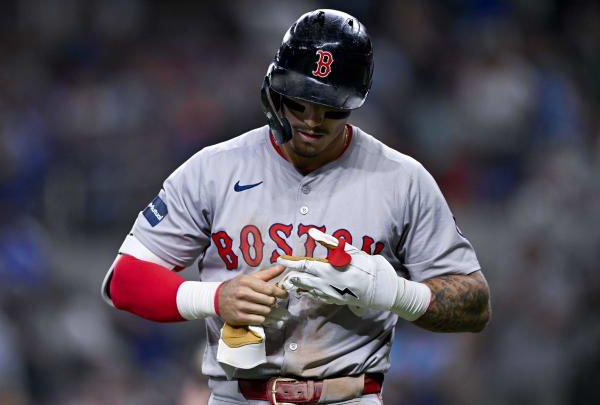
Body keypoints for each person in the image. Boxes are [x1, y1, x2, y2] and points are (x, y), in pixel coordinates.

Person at [101, 9, 490, 405]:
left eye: (332, 106)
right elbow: (125, 281)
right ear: (275, 89)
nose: (312, 119)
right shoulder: (213, 170)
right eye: (300, 101)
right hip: (238, 397)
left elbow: (475, 304)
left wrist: (397, 294)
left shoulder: (402, 179)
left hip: (349, 397)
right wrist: (215, 298)